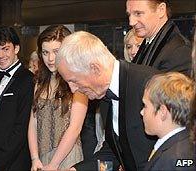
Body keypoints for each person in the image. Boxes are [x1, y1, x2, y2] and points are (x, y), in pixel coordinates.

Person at [56, 31, 160, 170]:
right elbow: (113, 154)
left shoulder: (149, 84)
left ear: (95, 68)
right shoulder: (104, 97)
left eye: (73, 81)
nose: (73, 89)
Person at [28, 25, 88, 170]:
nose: (50, 58)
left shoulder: (78, 81)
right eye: (45, 52)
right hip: (41, 159)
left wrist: (54, 164)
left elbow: (75, 128)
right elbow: (33, 123)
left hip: (68, 157)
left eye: (56, 51)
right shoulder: (40, 82)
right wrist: (34, 158)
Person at [0, 25, 34, 170]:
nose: (1, 55)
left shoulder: (28, 80)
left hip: (13, 162)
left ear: (16, 49)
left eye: (5, 49)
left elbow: (21, 129)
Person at [141, 72, 195, 170]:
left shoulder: (175, 158)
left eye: (145, 106)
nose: (141, 112)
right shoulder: (181, 143)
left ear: (162, 112)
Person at [126, 0, 191, 76]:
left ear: (161, 10)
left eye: (138, 13)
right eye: (129, 15)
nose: (131, 22)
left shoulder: (180, 51)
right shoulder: (148, 43)